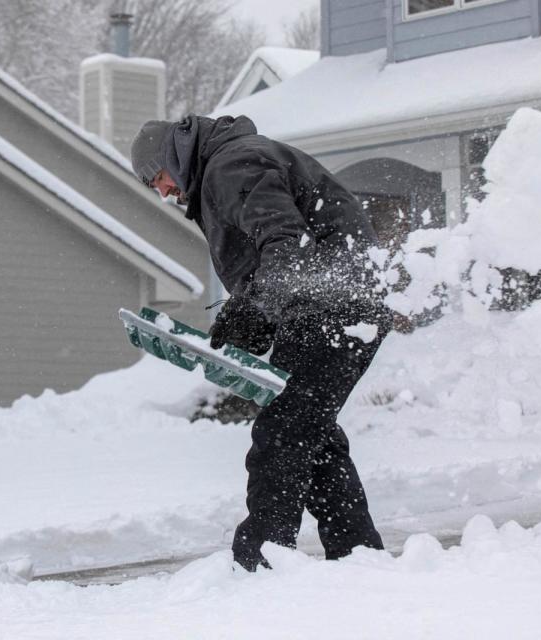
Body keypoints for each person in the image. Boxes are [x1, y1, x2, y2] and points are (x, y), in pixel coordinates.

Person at [131, 114, 391, 571]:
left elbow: (282, 243)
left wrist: (254, 310)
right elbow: (278, 258)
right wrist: (248, 311)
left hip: (333, 309)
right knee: (312, 433)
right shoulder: (227, 166)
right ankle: (357, 553)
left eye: (158, 178)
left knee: (283, 435)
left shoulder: (233, 164)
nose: (164, 192)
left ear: (172, 156)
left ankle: (260, 561)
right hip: (335, 307)